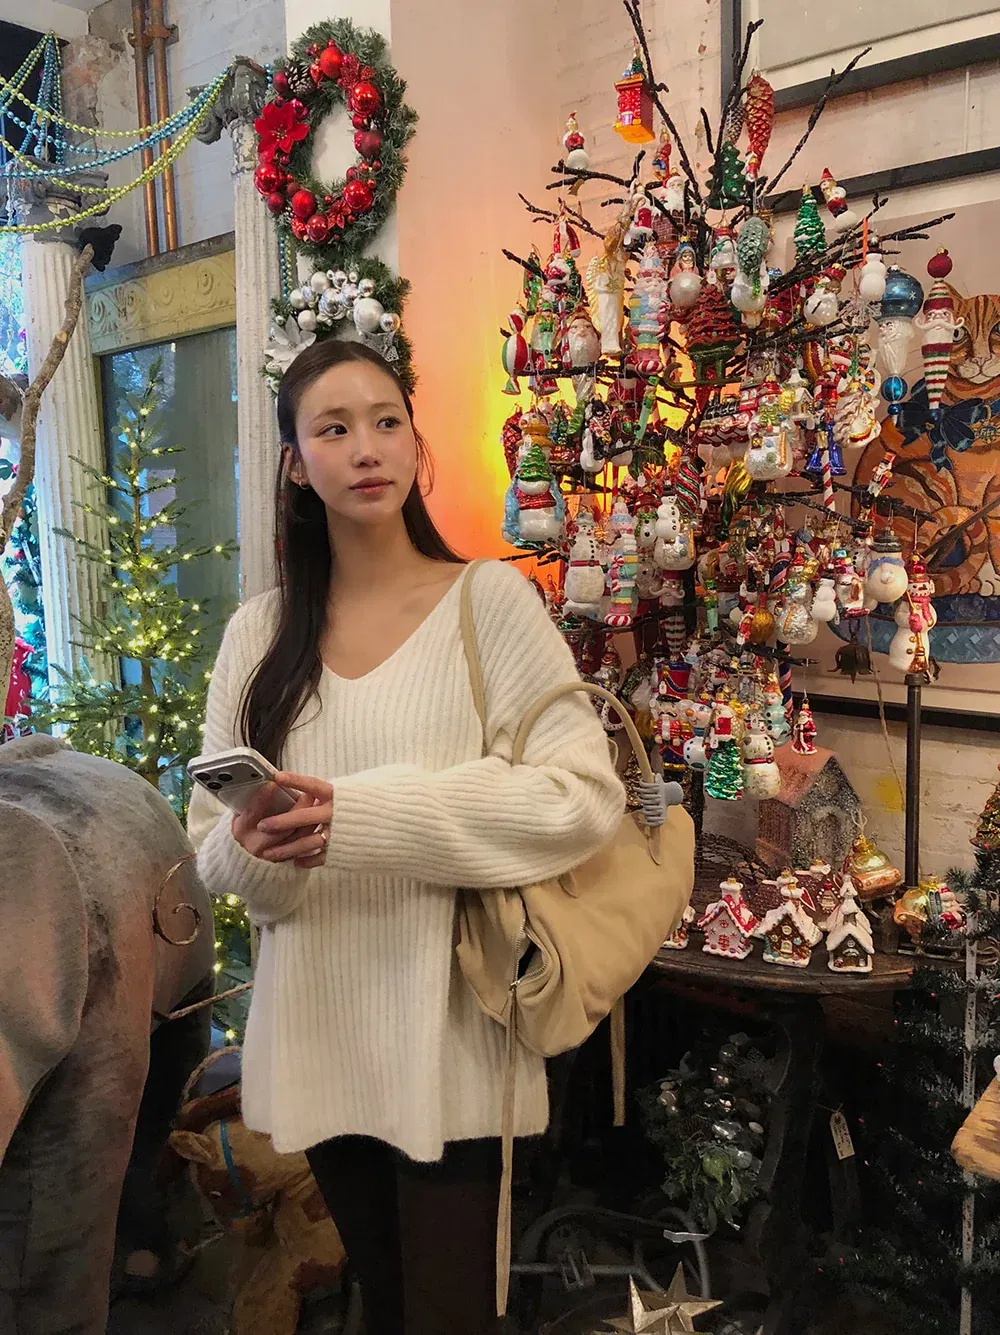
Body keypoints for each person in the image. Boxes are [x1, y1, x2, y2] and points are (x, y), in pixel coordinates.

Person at [188, 339, 624, 1335]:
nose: (366, 448)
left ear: (416, 442)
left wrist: (360, 820)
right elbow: (213, 850)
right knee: (383, 1307)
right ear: (296, 463)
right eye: (334, 429)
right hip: (318, 1031)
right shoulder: (258, 635)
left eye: (386, 421)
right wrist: (267, 845)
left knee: (447, 1316)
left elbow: (580, 798)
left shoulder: (489, 604)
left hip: (450, 1038)